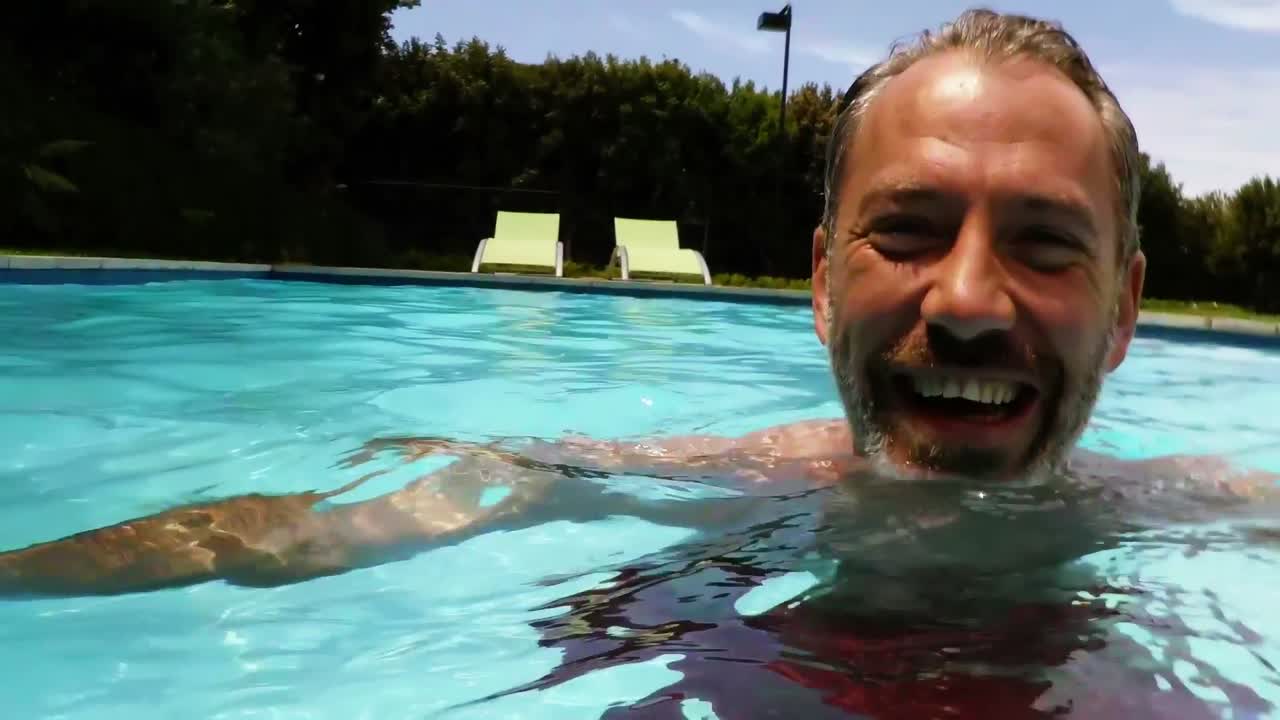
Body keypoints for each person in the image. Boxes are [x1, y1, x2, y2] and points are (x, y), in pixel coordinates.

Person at [1, 8, 1275, 600]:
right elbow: (301, 537)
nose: (967, 297)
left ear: (1121, 314)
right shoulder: (725, 485)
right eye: (909, 231)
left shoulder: (1202, 511)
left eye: (1045, 245)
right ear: (824, 284)